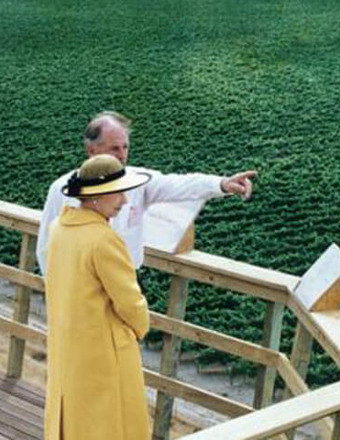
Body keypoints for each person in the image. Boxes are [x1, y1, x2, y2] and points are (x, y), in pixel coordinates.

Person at [37, 111, 256, 274]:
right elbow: (45, 247)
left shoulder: (138, 181)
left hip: (125, 281)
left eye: (125, 147)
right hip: (79, 288)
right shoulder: (62, 190)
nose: (122, 155)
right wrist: (59, 291)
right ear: (91, 151)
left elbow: (180, 184)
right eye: (115, 148)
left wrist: (223, 184)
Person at [44, 154, 152, 440]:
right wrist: (141, 328)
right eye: (118, 193)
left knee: (76, 418)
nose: (124, 201)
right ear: (95, 197)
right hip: (105, 350)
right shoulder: (103, 239)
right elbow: (130, 301)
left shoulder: (59, 229)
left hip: (69, 343)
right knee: (112, 424)